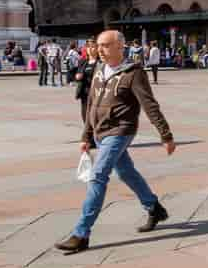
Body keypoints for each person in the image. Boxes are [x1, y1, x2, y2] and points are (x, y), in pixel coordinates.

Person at [54, 30, 176, 254]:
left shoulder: (133, 72)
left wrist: (165, 135)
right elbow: (91, 104)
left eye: (105, 45)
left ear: (120, 47)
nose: (98, 49)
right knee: (126, 172)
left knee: (98, 176)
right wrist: (85, 136)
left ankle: (81, 234)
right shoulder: (100, 70)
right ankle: (153, 207)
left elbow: (150, 104)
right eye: (98, 45)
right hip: (101, 132)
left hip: (121, 131)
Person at [74, 39, 99, 123]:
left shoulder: (101, 63)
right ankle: (88, 133)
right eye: (88, 47)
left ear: (97, 48)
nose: (90, 49)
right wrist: (77, 76)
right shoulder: (83, 61)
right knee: (85, 116)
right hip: (84, 93)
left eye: (93, 47)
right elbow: (77, 73)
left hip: (97, 93)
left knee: (95, 116)